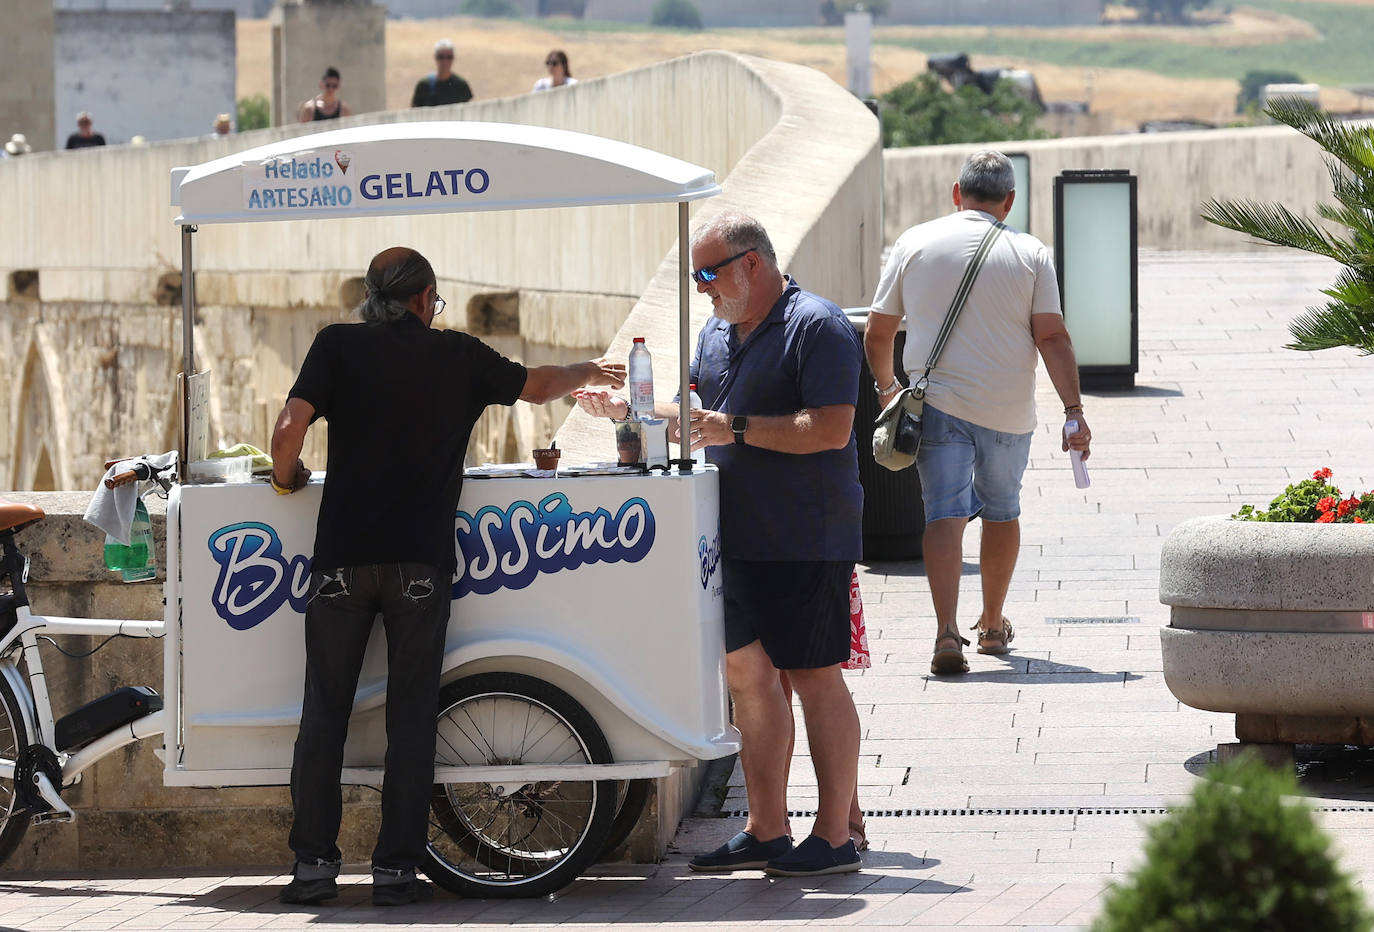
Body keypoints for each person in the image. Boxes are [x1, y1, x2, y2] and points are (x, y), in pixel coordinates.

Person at [270, 246, 625, 907]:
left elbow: (289, 427)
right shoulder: (458, 357)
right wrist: (586, 368)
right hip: (419, 567)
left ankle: (314, 868)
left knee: (323, 717)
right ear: (423, 296)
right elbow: (539, 385)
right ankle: (397, 874)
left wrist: (285, 479)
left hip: (342, 563)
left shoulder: (337, 345)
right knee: (411, 722)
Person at [576, 211, 865, 877]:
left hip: (804, 535)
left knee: (815, 676)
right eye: (695, 275)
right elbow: (698, 419)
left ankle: (834, 836)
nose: (702, 287)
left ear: (752, 264)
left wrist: (731, 429)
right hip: (730, 535)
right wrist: (629, 411)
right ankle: (766, 828)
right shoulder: (714, 331)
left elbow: (828, 429)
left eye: (709, 273)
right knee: (748, 678)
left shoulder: (816, 326)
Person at [864, 149, 1092, 676]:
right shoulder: (1031, 253)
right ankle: (991, 624)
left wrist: (885, 388)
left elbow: (879, 332)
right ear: (1009, 201)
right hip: (1007, 409)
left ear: (955, 192)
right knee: (1001, 510)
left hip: (935, 403)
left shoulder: (914, 243)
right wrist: (1073, 410)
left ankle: (947, 632)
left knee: (943, 513)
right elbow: (1052, 336)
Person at [411, 39, 473, 107]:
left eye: (449, 57)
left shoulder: (461, 85)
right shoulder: (424, 85)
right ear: (435, 58)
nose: (445, 61)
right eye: (441, 57)